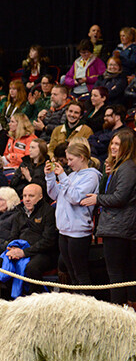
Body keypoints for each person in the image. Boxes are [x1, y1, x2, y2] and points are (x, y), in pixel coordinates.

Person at [81, 130, 136, 304]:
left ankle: (118, 311)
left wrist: (97, 199)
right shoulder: (121, 167)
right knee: (122, 272)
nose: (112, 147)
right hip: (117, 226)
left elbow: (120, 197)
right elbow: (110, 191)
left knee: (117, 273)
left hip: (119, 227)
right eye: (112, 143)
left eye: (117, 144)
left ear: (127, 147)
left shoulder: (128, 168)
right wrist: (108, 174)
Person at [46, 142, 101, 286]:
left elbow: (75, 198)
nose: (68, 163)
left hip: (79, 231)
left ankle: (87, 307)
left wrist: (63, 177)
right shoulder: (71, 175)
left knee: (81, 274)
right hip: (64, 230)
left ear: (82, 157)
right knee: (71, 274)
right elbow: (55, 195)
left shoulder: (91, 176)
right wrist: (50, 177)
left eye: (71, 159)